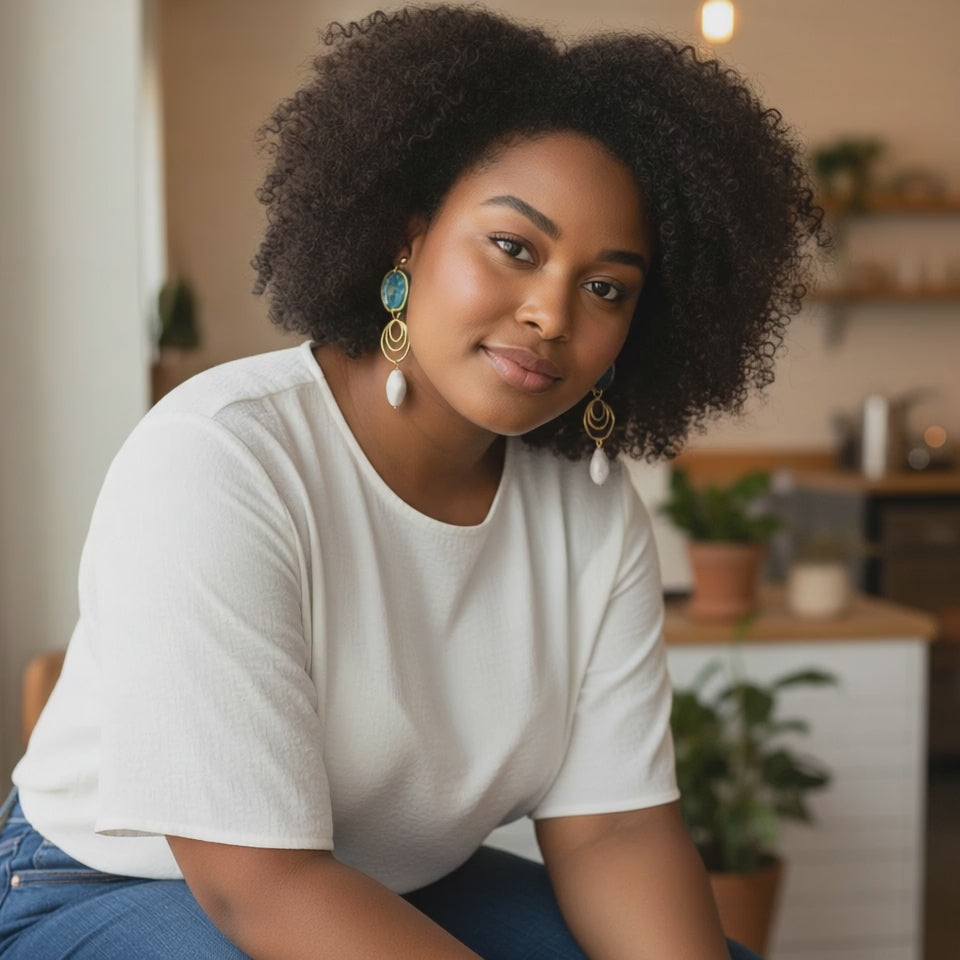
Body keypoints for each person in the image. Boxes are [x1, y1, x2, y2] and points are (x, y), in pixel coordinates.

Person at [0, 6, 825, 958]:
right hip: (115, 886)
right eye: (514, 248)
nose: (551, 314)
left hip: (393, 887)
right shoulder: (222, 457)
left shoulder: (591, 515)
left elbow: (615, 831)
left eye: (607, 287)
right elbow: (256, 886)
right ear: (408, 237)